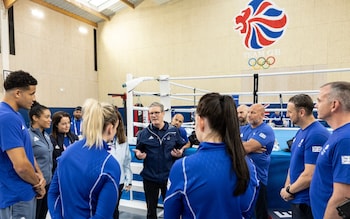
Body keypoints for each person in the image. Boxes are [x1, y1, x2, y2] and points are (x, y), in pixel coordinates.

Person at [164, 93, 259, 218]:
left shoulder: (183, 167)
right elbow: (247, 210)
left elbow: (171, 214)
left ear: (201, 122)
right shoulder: (248, 165)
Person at [48, 98, 121, 218]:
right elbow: (103, 216)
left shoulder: (67, 154)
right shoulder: (109, 165)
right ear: (110, 128)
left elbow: (53, 194)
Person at [0, 70, 46, 219]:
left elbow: (26, 153)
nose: (34, 98)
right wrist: (37, 184)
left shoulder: (16, 115)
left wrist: (39, 174)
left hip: (24, 192)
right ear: (18, 93)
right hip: (14, 197)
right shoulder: (6, 118)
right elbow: (20, 165)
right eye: (31, 94)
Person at [133, 102, 187, 219]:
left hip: (168, 178)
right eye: (151, 113)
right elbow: (139, 151)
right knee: (151, 212)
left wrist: (180, 153)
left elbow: (182, 146)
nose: (154, 115)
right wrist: (139, 156)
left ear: (163, 114)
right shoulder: (143, 134)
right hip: (150, 178)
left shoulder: (173, 131)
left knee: (172, 210)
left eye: (157, 112)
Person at [279, 94, 330, 219]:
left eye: (290, 112)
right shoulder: (301, 131)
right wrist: (287, 186)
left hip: (307, 201)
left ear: (301, 112)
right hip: (297, 197)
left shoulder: (316, 134)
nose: (287, 115)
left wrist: (289, 190)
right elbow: (294, 163)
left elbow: (310, 174)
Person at [310, 81, 350, 219]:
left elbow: (344, 197)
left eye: (319, 101)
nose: (316, 105)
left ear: (334, 105)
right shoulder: (339, 134)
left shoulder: (345, 139)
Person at [240, 103, 275, 219]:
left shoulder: (266, 130)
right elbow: (227, 144)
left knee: (259, 214)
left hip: (258, 178)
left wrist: (245, 146)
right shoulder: (243, 129)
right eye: (249, 112)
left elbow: (245, 148)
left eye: (253, 112)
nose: (249, 115)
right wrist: (248, 145)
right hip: (242, 177)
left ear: (262, 115)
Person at [28, 101, 54, 219]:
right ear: (35, 118)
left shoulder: (46, 136)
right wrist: (37, 181)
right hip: (35, 185)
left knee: (42, 215)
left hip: (48, 184)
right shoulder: (28, 136)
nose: (50, 120)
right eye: (47, 117)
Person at [108, 110, 133, 219]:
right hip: (104, 181)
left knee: (114, 209)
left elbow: (126, 162)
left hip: (119, 181)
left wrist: (129, 180)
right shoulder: (100, 140)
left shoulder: (122, 140)